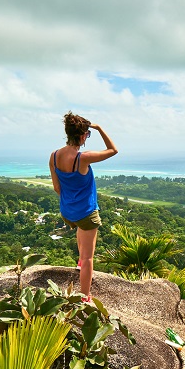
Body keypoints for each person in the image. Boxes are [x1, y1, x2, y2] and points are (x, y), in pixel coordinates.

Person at [49, 112, 118, 302]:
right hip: (86, 212)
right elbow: (113, 150)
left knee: (81, 228)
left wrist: (71, 201)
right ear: (82, 135)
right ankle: (85, 296)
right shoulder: (83, 158)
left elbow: (57, 187)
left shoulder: (54, 156)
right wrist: (100, 128)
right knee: (89, 258)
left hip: (67, 212)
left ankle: (79, 262)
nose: (87, 137)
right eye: (87, 134)